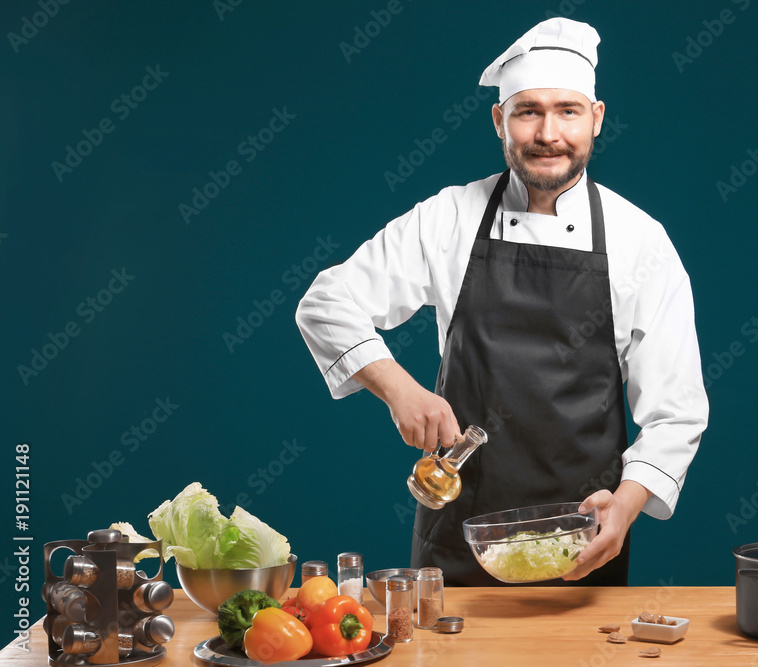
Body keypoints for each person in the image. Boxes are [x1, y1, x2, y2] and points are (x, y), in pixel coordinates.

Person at [296, 17, 709, 586]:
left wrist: (630, 502)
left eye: (567, 110)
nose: (548, 133)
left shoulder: (641, 241)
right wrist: (399, 388)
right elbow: (325, 302)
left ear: (596, 118)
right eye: (527, 111)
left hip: (581, 541)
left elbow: (677, 412)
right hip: (458, 533)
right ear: (500, 121)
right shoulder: (450, 216)